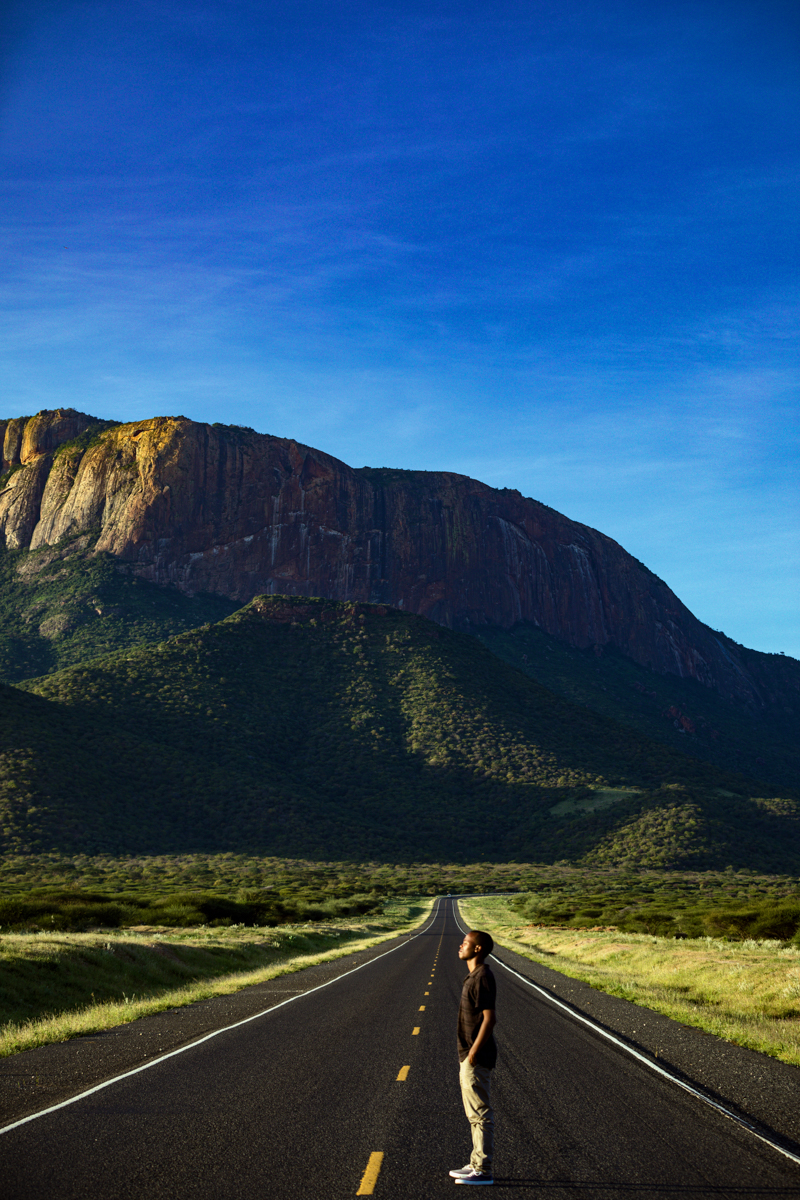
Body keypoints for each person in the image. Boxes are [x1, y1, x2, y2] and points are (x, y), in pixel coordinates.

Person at [450, 930, 497, 1186]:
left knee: (480, 1113)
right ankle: (476, 1162)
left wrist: (473, 1053)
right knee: (474, 1114)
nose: (461, 946)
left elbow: (490, 1019)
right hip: (470, 1054)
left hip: (475, 1056)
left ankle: (483, 1170)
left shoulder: (482, 977)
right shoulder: (474, 976)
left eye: (465, 943)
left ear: (477, 949)